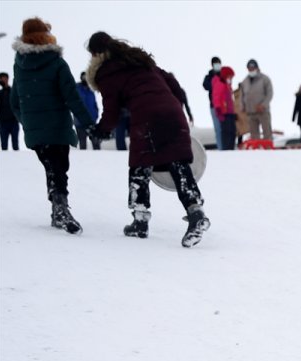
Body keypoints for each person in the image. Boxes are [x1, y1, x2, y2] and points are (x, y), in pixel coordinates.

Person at [86, 31, 210, 248]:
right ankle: (196, 213)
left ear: (96, 53)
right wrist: (175, 106)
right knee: (178, 163)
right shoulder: (140, 61)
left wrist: (101, 130)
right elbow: (173, 83)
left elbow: (111, 109)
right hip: (172, 114)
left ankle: (140, 220)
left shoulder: (107, 71)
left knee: (139, 168)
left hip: (146, 118)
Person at [9, 18, 93, 234]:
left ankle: (57, 210)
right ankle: (61, 209)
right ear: (45, 34)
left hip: (35, 130)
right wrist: (89, 123)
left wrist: (27, 121)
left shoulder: (19, 64)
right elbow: (72, 97)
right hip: (57, 127)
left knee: (51, 166)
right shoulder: (56, 62)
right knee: (59, 167)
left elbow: (14, 101)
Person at [239, 59, 273, 141]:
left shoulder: (265, 79)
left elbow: (270, 94)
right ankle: (256, 152)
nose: (251, 70)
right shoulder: (245, 81)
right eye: (249, 69)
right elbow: (241, 96)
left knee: (267, 133)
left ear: (257, 68)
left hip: (263, 112)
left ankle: (269, 151)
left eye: (253, 68)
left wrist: (263, 105)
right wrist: (242, 106)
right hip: (250, 112)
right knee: (254, 136)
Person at [73, 71, 100, 150]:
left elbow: (94, 104)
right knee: (83, 144)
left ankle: (100, 160)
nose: (85, 79)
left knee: (96, 144)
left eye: (86, 77)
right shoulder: (76, 89)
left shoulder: (91, 91)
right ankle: (84, 160)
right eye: (83, 77)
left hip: (92, 121)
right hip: (80, 122)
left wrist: (96, 114)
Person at [213, 66, 237, 150]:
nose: (231, 78)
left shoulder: (228, 85)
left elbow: (231, 100)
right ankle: (226, 149)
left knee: (232, 131)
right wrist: (218, 110)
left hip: (230, 112)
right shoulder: (219, 84)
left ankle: (231, 148)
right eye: (230, 76)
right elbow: (216, 98)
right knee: (226, 132)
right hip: (223, 113)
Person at [202, 57, 223, 149]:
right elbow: (205, 85)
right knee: (218, 128)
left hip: (224, 106)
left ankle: (228, 146)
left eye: (218, 63)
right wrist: (214, 81)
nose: (217, 65)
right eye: (215, 63)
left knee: (226, 128)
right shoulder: (209, 76)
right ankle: (220, 147)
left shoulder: (224, 75)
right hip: (214, 106)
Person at [0, 72, 21, 151]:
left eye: (2, 78)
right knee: (4, 146)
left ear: (7, 78)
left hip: (14, 121)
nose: (1, 80)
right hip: (3, 123)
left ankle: (17, 162)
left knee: (15, 146)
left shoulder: (13, 91)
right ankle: (5, 162)